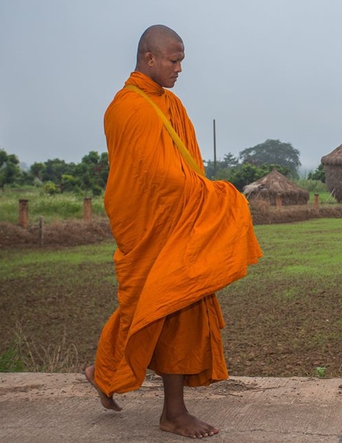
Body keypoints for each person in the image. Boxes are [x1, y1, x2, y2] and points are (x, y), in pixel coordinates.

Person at [85, 24, 262, 439]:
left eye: (182, 60)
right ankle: (140, 392)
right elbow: (154, 178)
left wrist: (203, 196)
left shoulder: (173, 106)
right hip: (150, 228)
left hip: (179, 228)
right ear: (149, 58)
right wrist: (219, 197)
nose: (180, 68)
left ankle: (156, 402)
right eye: (173, 60)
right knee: (148, 308)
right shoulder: (127, 108)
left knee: (176, 310)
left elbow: (187, 167)